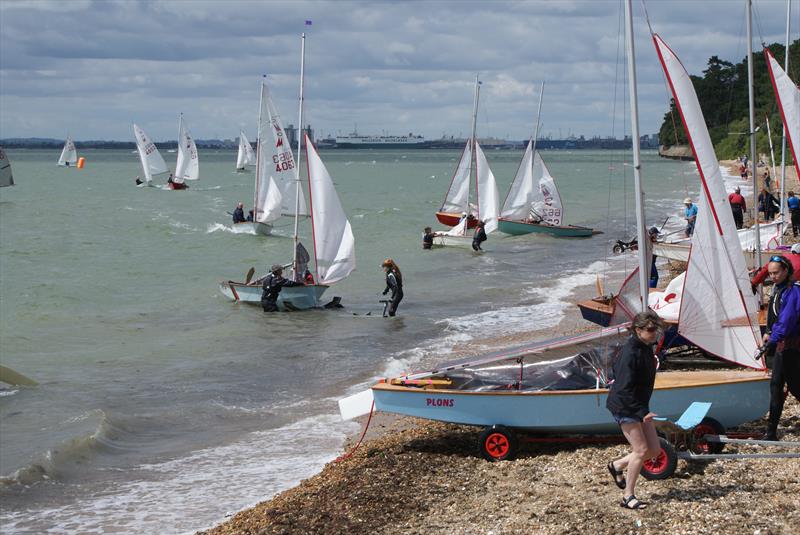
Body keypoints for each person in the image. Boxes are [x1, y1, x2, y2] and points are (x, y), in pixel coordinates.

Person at [606, 310, 665, 510]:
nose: (654, 333)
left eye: (656, 329)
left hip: (639, 406)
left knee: (655, 450)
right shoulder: (630, 352)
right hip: (625, 406)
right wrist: (641, 413)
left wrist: (643, 410)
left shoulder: (645, 347)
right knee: (640, 450)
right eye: (650, 330)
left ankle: (617, 465)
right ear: (638, 330)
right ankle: (628, 496)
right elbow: (623, 388)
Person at [759, 256, 800, 440]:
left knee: (796, 387)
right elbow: (774, 316)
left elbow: (786, 321)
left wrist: (773, 338)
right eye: (770, 273)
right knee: (775, 386)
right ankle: (771, 431)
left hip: (792, 347)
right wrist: (768, 331)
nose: (773, 277)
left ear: (786, 271)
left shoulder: (793, 292)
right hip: (781, 346)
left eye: (776, 273)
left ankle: (770, 431)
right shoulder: (778, 289)